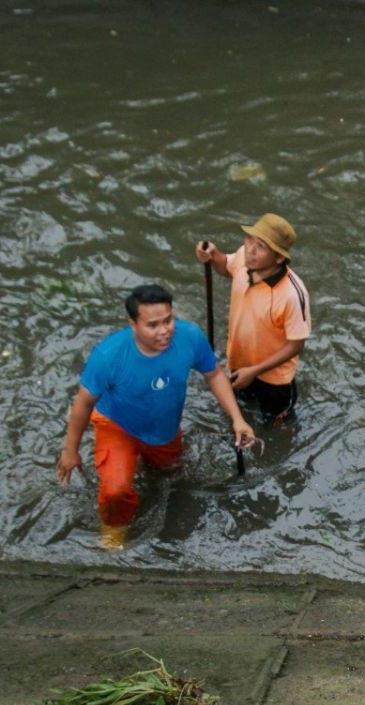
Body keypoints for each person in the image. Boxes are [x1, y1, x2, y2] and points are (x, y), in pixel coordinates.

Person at [55, 284, 254, 549]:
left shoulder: (190, 337)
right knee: (115, 490)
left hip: (164, 429)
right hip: (118, 426)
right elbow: (83, 404)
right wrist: (71, 450)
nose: (164, 331)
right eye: (153, 325)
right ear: (133, 324)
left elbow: (214, 374)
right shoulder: (108, 355)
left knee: (169, 474)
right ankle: (114, 530)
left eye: (168, 320)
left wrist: (237, 419)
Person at [195, 213, 310, 425]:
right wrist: (212, 255)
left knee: (275, 425)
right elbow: (225, 265)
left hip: (274, 379)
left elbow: (296, 345)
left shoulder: (292, 294)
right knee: (241, 410)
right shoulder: (244, 258)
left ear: (278, 258)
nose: (250, 250)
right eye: (250, 240)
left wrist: (254, 371)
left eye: (261, 246)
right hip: (239, 363)